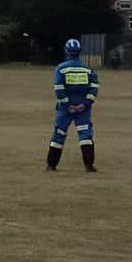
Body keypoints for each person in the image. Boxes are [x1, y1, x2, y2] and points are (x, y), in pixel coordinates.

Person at [47, 38, 99, 172]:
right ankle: (89, 165)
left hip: (65, 109)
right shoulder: (87, 70)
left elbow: (59, 88)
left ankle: (52, 165)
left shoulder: (61, 68)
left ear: (66, 51)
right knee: (85, 134)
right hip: (83, 108)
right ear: (80, 52)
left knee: (59, 134)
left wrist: (67, 104)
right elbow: (94, 87)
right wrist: (86, 104)